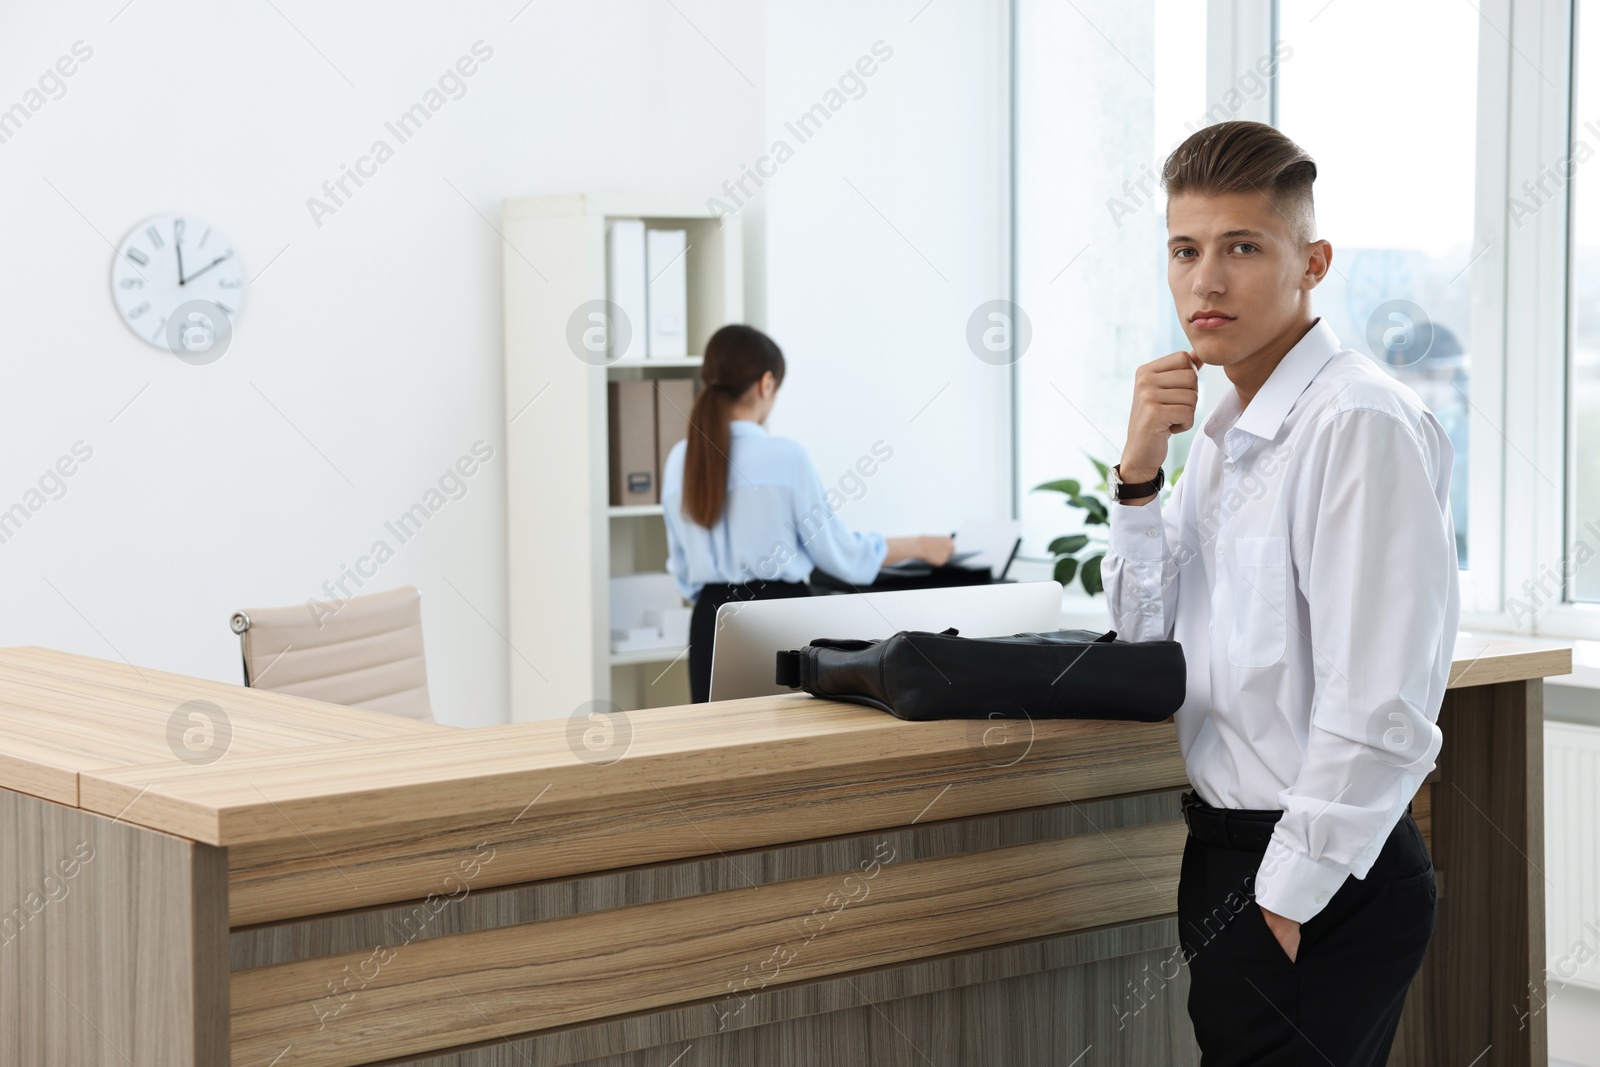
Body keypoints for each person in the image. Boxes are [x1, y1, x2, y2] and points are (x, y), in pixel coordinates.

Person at [1103, 121, 1458, 1063]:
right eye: (1185, 249)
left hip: (1311, 873)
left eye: (1242, 247)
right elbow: (1145, 638)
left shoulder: (1355, 422)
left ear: (1314, 261)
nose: (1204, 281)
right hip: (1231, 858)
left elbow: (1378, 699)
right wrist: (1139, 475)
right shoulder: (1225, 436)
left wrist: (1285, 898)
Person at [661, 324, 954, 703]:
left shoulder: (678, 461)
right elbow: (841, 556)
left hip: (709, 622)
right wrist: (919, 545)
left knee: (718, 748)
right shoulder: (786, 457)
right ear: (766, 383)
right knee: (788, 748)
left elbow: (682, 571)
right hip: (779, 617)